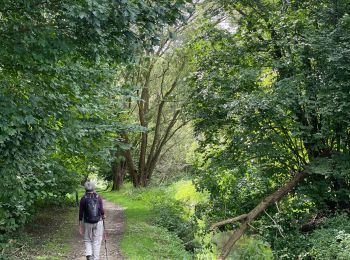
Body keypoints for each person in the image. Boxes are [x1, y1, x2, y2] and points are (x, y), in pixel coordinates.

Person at [79, 181, 105, 260]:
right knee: (96, 241)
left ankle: (89, 254)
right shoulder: (98, 197)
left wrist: (80, 226)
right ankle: (96, 258)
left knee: (87, 239)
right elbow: (101, 210)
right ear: (94, 188)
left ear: (85, 189)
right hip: (98, 221)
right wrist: (103, 216)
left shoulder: (83, 199)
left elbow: (81, 213)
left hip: (87, 222)